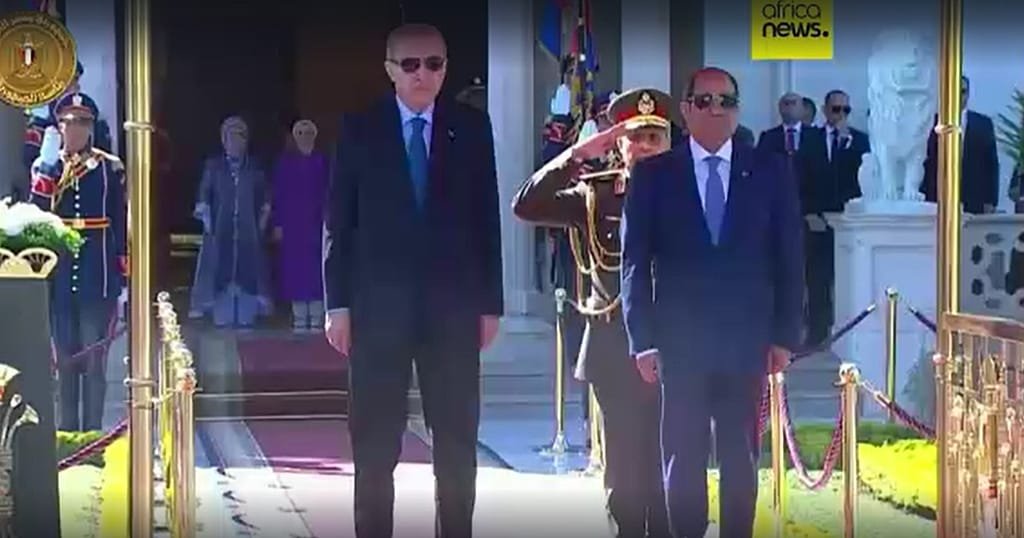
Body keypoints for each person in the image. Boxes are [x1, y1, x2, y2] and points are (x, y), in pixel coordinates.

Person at [322, 23, 503, 538]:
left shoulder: (471, 128)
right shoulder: (360, 128)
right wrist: (338, 304)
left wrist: (490, 303)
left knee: (456, 441)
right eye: (410, 64)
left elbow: (486, 216)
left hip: (453, 310)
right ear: (390, 70)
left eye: (434, 64)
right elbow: (338, 221)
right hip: (378, 311)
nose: (423, 74)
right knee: (375, 445)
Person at [619, 67, 804, 538]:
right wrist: (642, 340)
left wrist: (785, 335)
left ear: (738, 110)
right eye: (704, 100)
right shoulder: (655, 175)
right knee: (683, 457)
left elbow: (789, 256)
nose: (716, 109)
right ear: (685, 109)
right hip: (680, 344)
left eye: (726, 101)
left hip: (746, 342)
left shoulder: (770, 169)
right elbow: (634, 262)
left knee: (741, 458)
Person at [513, 88, 674, 538]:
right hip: (613, 344)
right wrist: (578, 155)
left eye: (654, 137)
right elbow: (526, 205)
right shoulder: (596, 195)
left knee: (670, 463)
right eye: (635, 137)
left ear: (668, 143)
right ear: (618, 142)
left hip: (676, 345)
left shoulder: (692, 194)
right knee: (624, 469)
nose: (644, 146)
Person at [28, 92, 128, 432]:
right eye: (69, 122)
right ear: (59, 127)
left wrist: (122, 273)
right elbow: (37, 213)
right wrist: (47, 166)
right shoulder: (49, 166)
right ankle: (67, 433)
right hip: (59, 277)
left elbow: (119, 218)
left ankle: (92, 436)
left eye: (83, 122)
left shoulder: (108, 167)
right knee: (65, 363)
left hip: (97, 276)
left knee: (94, 362)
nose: (76, 129)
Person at [188, 115, 273, 328]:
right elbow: (204, 194)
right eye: (231, 137)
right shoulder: (214, 166)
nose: (235, 142)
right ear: (224, 140)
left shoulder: (254, 168)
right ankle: (222, 314)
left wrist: (262, 222)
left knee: (248, 271)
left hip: (247, 229)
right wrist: (207, 220)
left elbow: (265, 198)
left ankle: (245, 315)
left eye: (240, 137)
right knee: (219, 269)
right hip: (220, 227)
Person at [270, 119, 329, 332]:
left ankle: (317, 316)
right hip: (293, 226)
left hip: (317, 225)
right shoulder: (285, 165)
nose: (304, 137)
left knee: (317, 270)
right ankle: (299, 316)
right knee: (295, 271)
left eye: (308, 132)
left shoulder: (323, 162)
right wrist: (278, 224)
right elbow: (278, 195)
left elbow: (330, 193)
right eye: (300, 133)